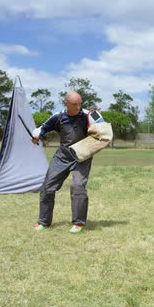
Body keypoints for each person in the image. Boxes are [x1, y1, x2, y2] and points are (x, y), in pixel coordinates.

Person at [31, 91, 93, 234]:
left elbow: (103, 128)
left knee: (77, 186)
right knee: (47, 186)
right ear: (66, 103)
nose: (78, 107)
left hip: (82, 157)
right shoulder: (58, 117)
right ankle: (44, 222)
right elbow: (42, 128)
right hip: (63, 156)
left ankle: (78, 223)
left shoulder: (87, 115)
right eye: (74, 104)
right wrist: (36, 135)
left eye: (79, 103)